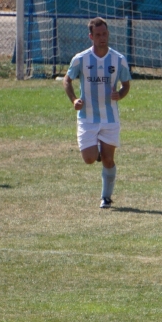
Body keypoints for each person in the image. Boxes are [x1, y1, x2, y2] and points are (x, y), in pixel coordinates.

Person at [63, 18, 132, 209]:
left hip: (110, 118)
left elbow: (126, 85)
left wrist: (120, 94)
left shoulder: (118, 59)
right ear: (91, 36)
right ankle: (97, 151)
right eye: (98, 35)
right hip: (87, 117)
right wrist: (74, 100)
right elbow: (67, 80)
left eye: (105, 34)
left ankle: (106, 198)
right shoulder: (81, 59)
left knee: (109, 159)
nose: (102, 38)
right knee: (89, 158)